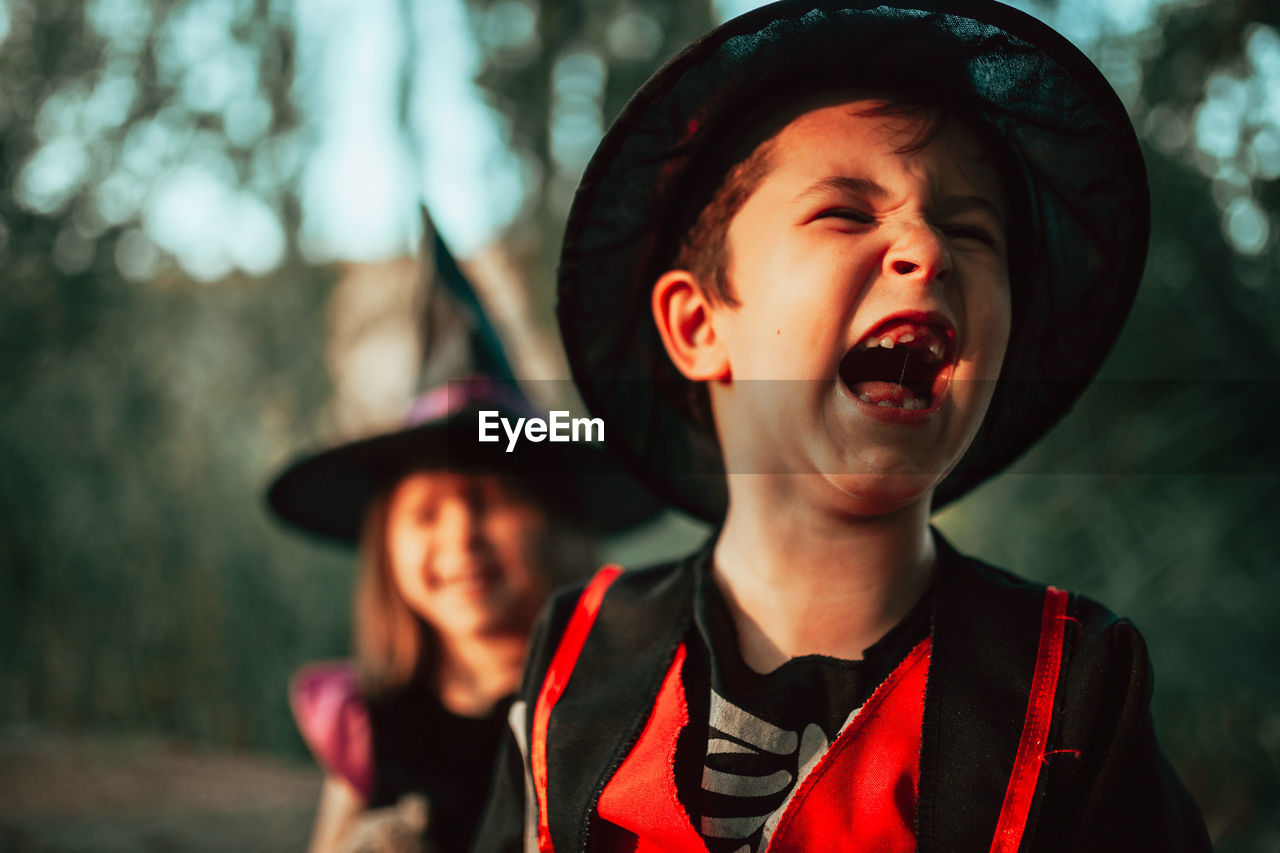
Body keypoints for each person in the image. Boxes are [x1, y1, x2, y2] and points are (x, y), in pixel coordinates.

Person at [474, 2, 1212, 851]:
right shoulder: (576, 654)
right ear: (697, 326)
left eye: (972, 230)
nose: (926, 249)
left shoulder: (1075, 684)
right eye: (846, 213)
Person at [269, 379, 646, 853]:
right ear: (386, 547)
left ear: (557, 524)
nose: (462, 537)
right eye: (426, 514)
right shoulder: (366, 725)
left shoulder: (624, 712)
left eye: (491, 503)